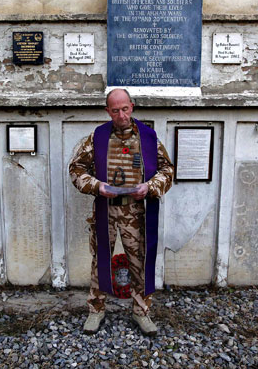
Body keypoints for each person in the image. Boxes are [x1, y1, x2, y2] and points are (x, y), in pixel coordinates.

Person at [69, 88, 174, 336]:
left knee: (139, 263)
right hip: (106, 210)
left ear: (132, 106)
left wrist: (150, 187)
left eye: (125, 108)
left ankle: (142, 313)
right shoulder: (96, 138)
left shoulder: (148, 138)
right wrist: (97, 186)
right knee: (100, 263)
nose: (121, 115)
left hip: (137, 213)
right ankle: (96, 311)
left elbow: (167, 170)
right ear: (108, 111)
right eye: (115, 110)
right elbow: (76, 169)